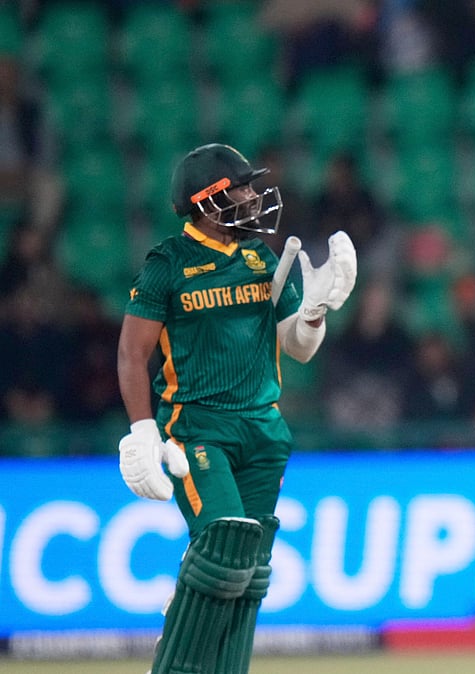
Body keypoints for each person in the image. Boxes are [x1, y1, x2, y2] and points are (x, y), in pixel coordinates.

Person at [115, 143, 358, 674]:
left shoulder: (260, 257)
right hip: (198, 426)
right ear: (207, 200)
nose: (252, 196)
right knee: (223, 544)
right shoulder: (168, 263)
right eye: (241, 187)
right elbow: (132, 352)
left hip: (264, 427)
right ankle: (176, 657)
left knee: (249, 569)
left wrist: (314, 311)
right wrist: (142, 431)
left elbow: (297, 348)